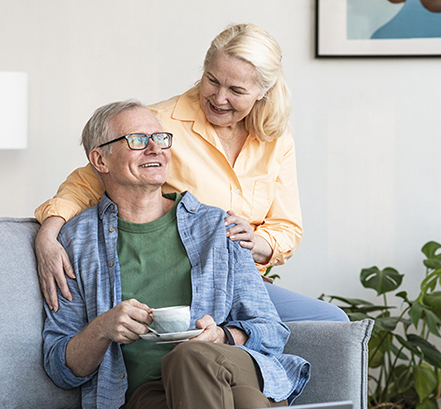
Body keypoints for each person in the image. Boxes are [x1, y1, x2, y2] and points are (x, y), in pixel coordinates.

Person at [42, 100, 310, 409]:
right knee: (244, 401)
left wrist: (222, 335)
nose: (156, 148)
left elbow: (271, 330)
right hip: (146, 401)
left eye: (161, 137)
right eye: (137, 140)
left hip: (229, 368)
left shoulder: (219, 228)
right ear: (100, 160)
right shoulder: (76, 242)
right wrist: (103, 329)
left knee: (192, 357)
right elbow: (60, 366)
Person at [34, 23, 347, 322]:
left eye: (236, 90)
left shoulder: (275, 137)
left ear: (262, 92)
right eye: (212, 80)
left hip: (243, 282)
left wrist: (256, 241)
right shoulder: (158, 125)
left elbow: (286, 226)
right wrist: (48, 236)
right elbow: (84, 182)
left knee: (333, 322)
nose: (219, 97)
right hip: (184, 280)